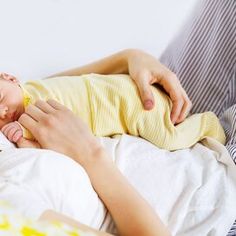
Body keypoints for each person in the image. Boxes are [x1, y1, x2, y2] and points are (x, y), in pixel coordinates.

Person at [0, 71, 225, 151]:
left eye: (1, 98)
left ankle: (207, 123)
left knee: (168, 140)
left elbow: (45, 115)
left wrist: (22, 130)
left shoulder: (32, 93)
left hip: (128, 100)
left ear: (11, 78)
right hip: (120, 103)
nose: (3, 112)